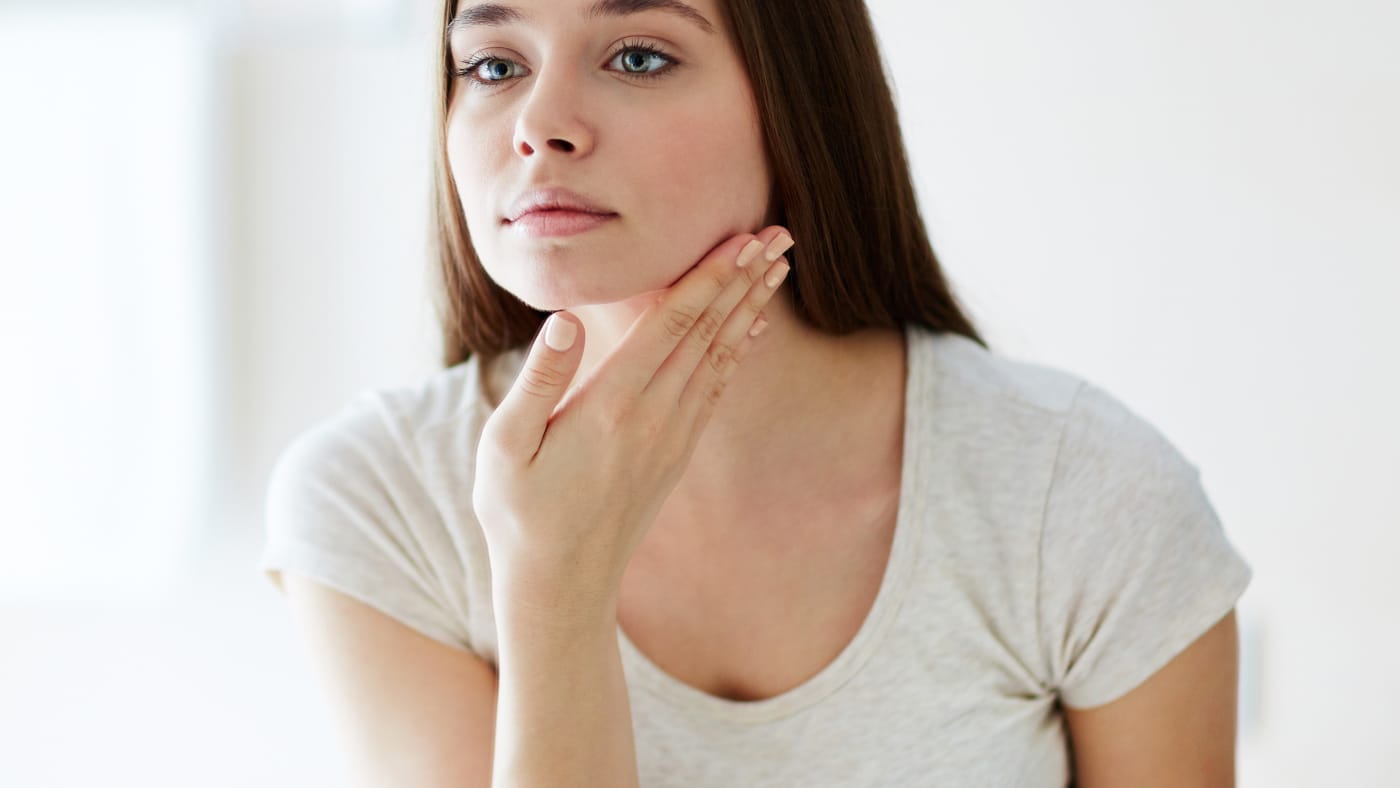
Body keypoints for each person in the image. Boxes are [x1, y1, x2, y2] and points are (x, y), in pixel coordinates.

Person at [258, 0, 1254, 786]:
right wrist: (554, 581)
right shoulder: (373, 502)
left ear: (797, 103)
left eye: (637, 56)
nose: (539, 125)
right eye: (493, 64)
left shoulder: (1078, 493)